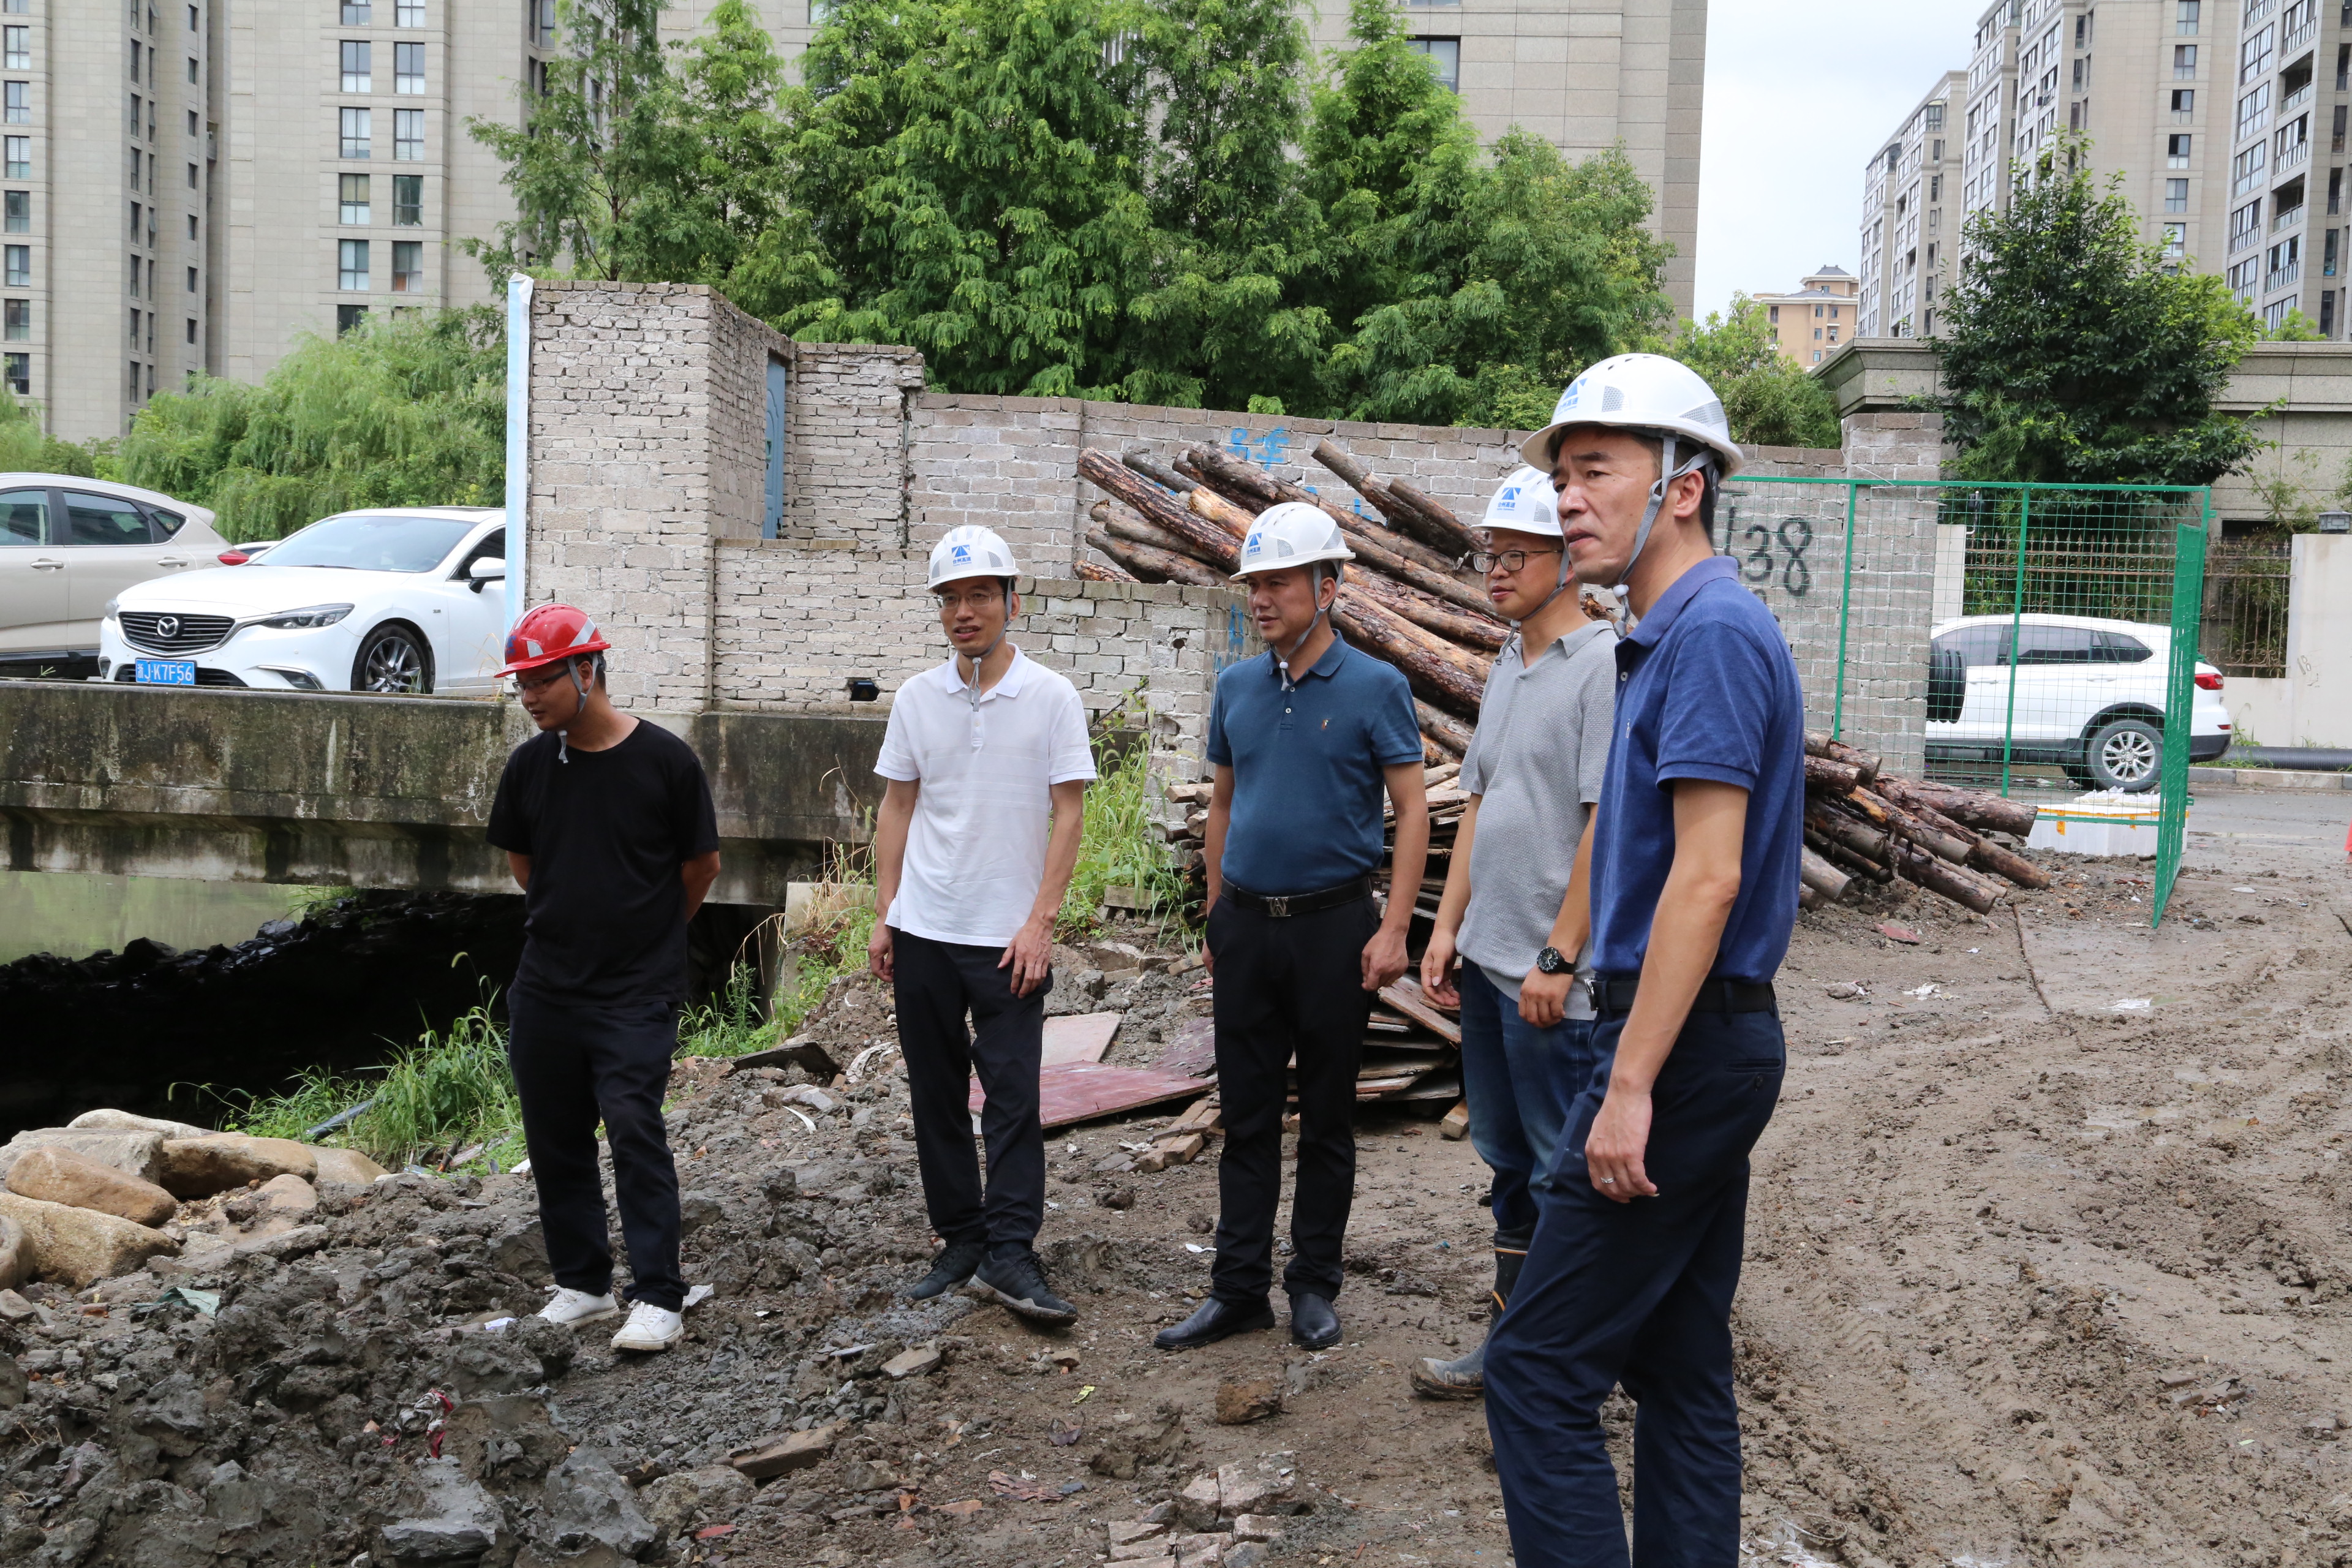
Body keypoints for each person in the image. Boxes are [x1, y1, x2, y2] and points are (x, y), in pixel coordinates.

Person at [1482, 355, 1805, 1566]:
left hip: (1679, 1048)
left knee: (1535, 1371)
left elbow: (1709, 874)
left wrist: (1629, 1084)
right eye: (1563, 475)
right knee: (1677, 1363)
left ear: (1682, 485)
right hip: (1699, 1041)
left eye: (1596, 470)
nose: (1567, 500)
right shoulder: (1665, 634)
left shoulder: (1712, 631)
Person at [1155, 503, 1431, 1354]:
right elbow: (1225, 802)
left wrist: (1391, 932)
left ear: (1329, 586)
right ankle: (1237, 1289)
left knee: (1325, 1118)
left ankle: (1313, 1284)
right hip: (1247, 925)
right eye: (1254, 585)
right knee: (1244, 1115)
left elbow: (1414, 810)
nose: (1262, 599)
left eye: (1277, 583)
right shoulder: (1237, 686)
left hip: (1333, 931)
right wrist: (1214, 906)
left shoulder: (1376, 687)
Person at [1411, 466, 1615, 1401]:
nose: (1493, 570)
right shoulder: (1507, 660)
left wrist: (1557, 957)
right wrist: (1446, 929)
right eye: (1486, 554)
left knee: (1557, 1168)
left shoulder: (1604, 666)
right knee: (1506, 1163)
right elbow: (1480, 804)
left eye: (1513, 554)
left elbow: (1604, 826)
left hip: (1546, 975)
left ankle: (1563, 1366)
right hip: (1489, 965)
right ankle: (1513, 1346)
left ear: (1569, 561)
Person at [870, 525, 1096, 1325]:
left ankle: (1011, 1252)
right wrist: (885, 912)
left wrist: (1041, 924)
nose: (964, 612)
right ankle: (960, 1240)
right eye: (950, 599)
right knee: (934, 1093)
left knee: (1011, 1098)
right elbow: (897, 806)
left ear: (1011, 602)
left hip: (1007, 940)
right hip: (926, 928)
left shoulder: (1050, 698)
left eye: (978, 596)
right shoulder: (916, 699)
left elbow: (1068, 815)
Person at [486, 604, 722, 1355]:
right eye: (521, 682)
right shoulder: (528, 766)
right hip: (548, 985)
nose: (530, 696)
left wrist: (650, 937)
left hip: (636, 990)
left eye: (544, 678)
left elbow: (701, 867)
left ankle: (658, 1294)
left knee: (633, 1127)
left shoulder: (665, 762)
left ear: (588, 672)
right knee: (555, 1136)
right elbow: (526, 865)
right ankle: (583, 1284)